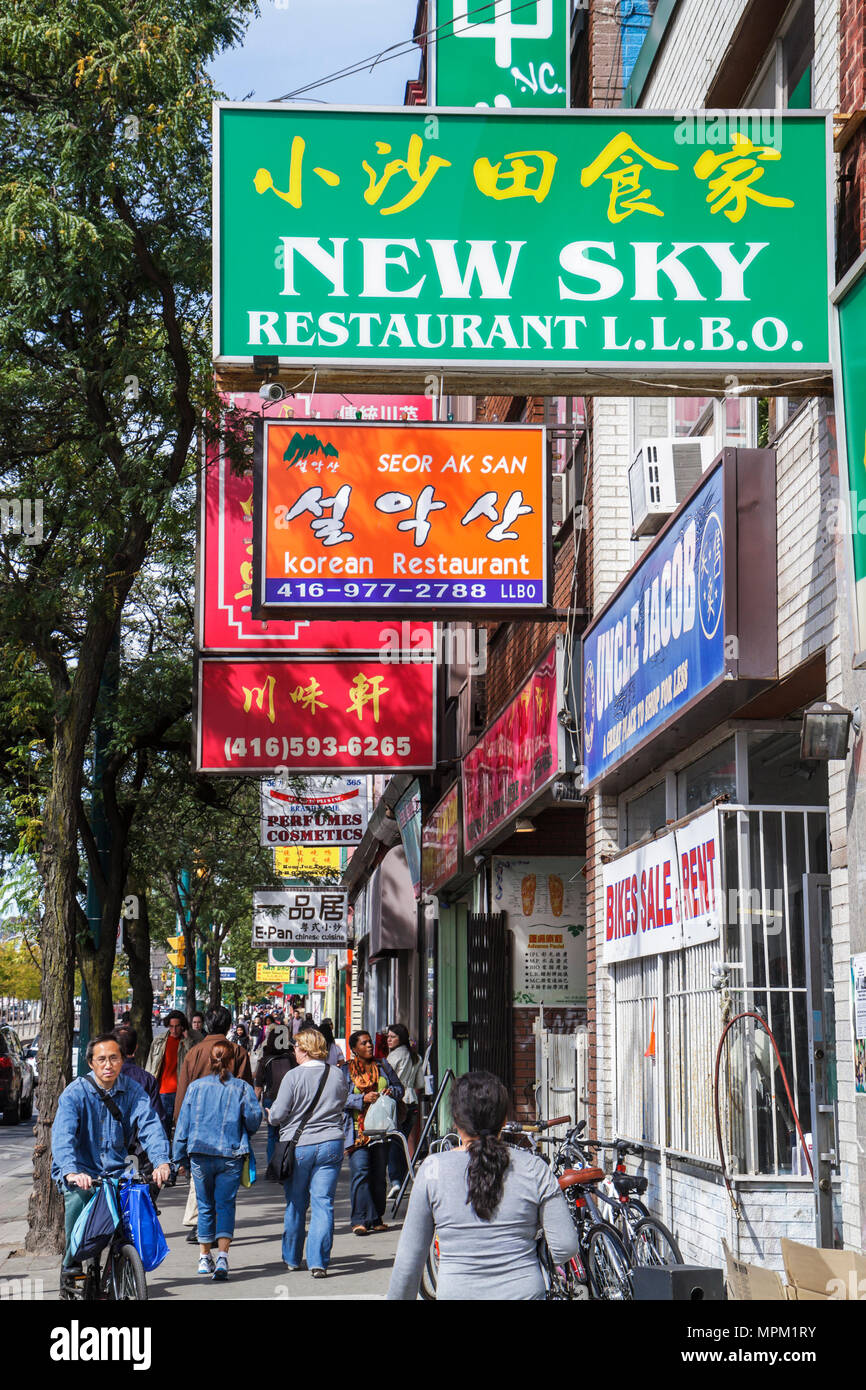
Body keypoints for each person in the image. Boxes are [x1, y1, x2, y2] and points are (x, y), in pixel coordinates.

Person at [387, 1072, 579, 1301]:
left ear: (456, 1119)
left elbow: (409, 1261)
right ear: (503, 1120)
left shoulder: (432, 1170)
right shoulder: (534, 1168)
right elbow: (565, 1246)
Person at [51, 1033, 172, 1277]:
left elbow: (150, 1125)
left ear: (122, 1059)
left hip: (116, 1169)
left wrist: (161, 1162)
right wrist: (72, 1172)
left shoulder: (134, 1091)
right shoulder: (75, 1094)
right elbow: (63, 1138)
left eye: (114, 1058)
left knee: (137, 1205)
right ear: (91, 1063)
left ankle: (125, 1261)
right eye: (102, 1059)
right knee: (78, 1198)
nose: (108, 1065)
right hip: (81, 1169)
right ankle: (71, 1263)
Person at [172, 1039, 262, 1282]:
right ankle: (222, 1256)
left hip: (200, 1154)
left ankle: (203, 1257)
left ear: (210, 1060)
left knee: (205, 1205)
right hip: (231, 1153)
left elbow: (183, 1126)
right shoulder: (241, 1088)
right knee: (225, 1205)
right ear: (231, 1061)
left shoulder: (196, 1088)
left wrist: (178, 1157)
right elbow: (254, 1119)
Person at [268, 1028, 349, 1278]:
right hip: (332, 1143)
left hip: (299, 1145)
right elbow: (342, 1102)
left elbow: (279, 1114)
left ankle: (292, 1257)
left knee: (296, 1203)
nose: (294, 1050)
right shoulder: (336, 1074)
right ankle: (318, 1262)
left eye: (296, 1047)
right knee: (323, 1203)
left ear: (303, 1049)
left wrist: (271, 1116)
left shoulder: (293, 1077)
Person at [174, 1006, 255, 1244]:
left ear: (207, 1025)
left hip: (199, 1128)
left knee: (199, 1183)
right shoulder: (238, 1052)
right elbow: (246, 1091)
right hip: (229, 1130)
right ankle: (217, 1234)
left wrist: (180, 1127)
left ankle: (200, 1226)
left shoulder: (194, 1052)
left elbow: (182, 1092)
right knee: (226, 1190)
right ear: (229, 1025)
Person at [341, 1030, 403, 1236]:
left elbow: (399, 1088)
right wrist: (361, 1099)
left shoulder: (383, 1065)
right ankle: (359, 1220)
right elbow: (339, 1098)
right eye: (364, 1043)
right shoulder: (345, 1071)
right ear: (354, 1049)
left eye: (370, 1043)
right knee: (360, 1172)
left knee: (378, 1175)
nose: (369, 1046)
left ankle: (376, 1217)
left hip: (381, 1130)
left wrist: (390, 1092)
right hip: (358, 1132)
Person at [384, 1023, 425, 1198]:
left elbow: (385, 1080)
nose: (388, 1039)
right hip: (412, 1103)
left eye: (392, 1037)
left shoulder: (393, 1058)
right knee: (401, 1143)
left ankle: (395, 1181)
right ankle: (401, 1180)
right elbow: (420, 1084)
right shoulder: (416, 1057)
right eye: (388, 1036)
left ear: (400, 1038)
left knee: (394, 1141)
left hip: (397, 1101)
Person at [254, 1024, 297, 1167]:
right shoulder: (292, 1058)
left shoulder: (265, 1060)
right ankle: (286, 1165)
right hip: (291, 1100)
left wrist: (254, 1105)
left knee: (272, 1135)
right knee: (288, 1133)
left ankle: (272, 1167)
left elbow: (258, 1086)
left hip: (270, 1100)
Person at [114, 1027, 168, 1136]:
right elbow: (157, 1118)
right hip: (138, 1143)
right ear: (136, 1048)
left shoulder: (103, 1077)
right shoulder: (147, 1079)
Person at [145, 1010, 192, 1129]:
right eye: (171, 1027)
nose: (174, 1030)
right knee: (162, 1127)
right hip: (163, 1091)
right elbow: (150, 1064)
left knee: (181, 1128)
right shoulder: (159, 1041)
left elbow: (193, 1059)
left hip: (182, 1091)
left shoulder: (187, 1042)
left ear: (183, 1027)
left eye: (177, 1027)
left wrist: (187, 1040)